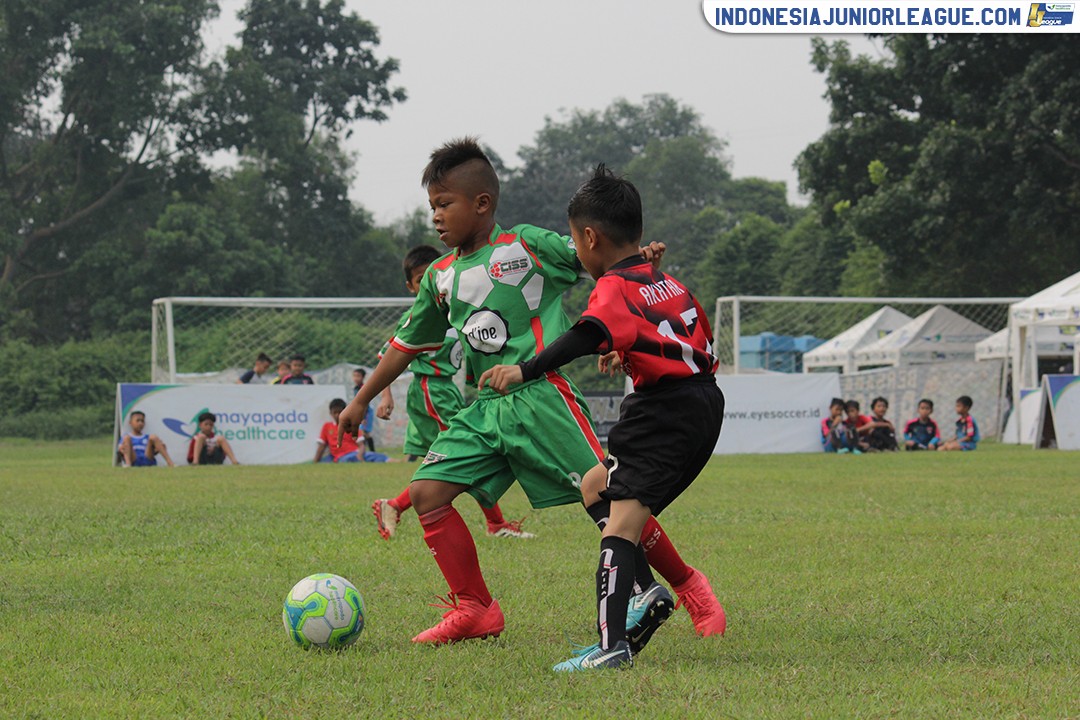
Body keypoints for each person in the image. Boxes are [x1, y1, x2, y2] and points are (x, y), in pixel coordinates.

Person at [337, 138, 724, 648]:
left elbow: (599, 255)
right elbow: (405, 343)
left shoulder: (525, 246)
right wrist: (362, 398)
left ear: (482, 203)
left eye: (445, 203)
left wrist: (639, 260)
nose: (436, 216)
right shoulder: (439, 277)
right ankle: (475, 609)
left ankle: (688, 586)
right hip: (485, 409)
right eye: (432, 206)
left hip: (542, 396)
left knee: (612, 494)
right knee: (428, 493)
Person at [478, 164, 725, 671]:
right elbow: (687, 337)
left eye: (575, 240)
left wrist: (525, 369)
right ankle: (645, 594)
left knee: (620, 529)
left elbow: (586, 333)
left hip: (661, 411)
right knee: (595, 486)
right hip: (703, 403)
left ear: (589, 238)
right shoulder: (668, 282)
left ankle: (613, 645)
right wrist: (629, 349)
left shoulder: (613, 285)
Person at [371, 244, 534, 541]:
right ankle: (494, 523)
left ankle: (397, 505)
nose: (431, 283)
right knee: (468, 452)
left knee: (458, 457)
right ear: (411, 287)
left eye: (434, 275)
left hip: (446, 389)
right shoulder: (417, 316)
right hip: (432, 389)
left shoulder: (458, 311)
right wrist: (385, 396)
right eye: (421, 279)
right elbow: (388, 355)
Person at [315, 398, 392, 463]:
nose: (337, 415)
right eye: (335, 413)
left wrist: (360, 456)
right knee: (346, 460)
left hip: (356, 453)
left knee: (378, 456)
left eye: (339, 412)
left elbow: (361, 445)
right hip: (341, 457)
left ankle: (395, 461)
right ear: (331, 413)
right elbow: (322, 446)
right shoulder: (327, 427)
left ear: (345, 411)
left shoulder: (351, 424)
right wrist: (315, 461)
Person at [351, 368, 377, 453]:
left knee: (363, 433)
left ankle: (369, 452)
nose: (356, 378)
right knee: (364, 433)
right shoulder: (356, 388)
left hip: (366, 413)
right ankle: (368, 452)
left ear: (363, 377)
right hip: (361, 413)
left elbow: (365, 403)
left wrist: (362, 417)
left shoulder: (364, 388)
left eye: (358, 376)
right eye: (354, 376)